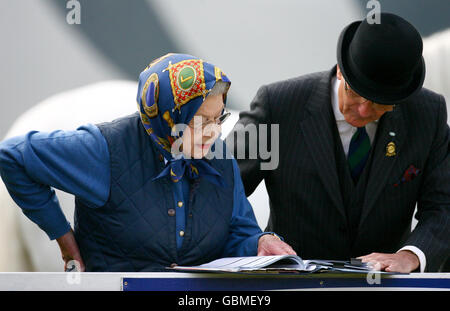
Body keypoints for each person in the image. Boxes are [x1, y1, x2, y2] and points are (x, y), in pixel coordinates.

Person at [0, 53, 295, 272]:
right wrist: (62, 236)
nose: (214, 132)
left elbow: (237, 232)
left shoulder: (217, 153)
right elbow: (11, 155)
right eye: (201, 121)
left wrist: (259, 243)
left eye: (219, 119)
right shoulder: (105, 149)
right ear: (169, 114)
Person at [227, 13, 450, 272]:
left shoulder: (428, 114)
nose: (364, 111)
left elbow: (443, 206)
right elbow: (221, 188)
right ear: (340, 72)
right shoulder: (277, 107)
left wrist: (412, 256)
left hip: (387, 289)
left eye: (380, 103)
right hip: (290, 285)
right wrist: (256, 238)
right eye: (356, 94)